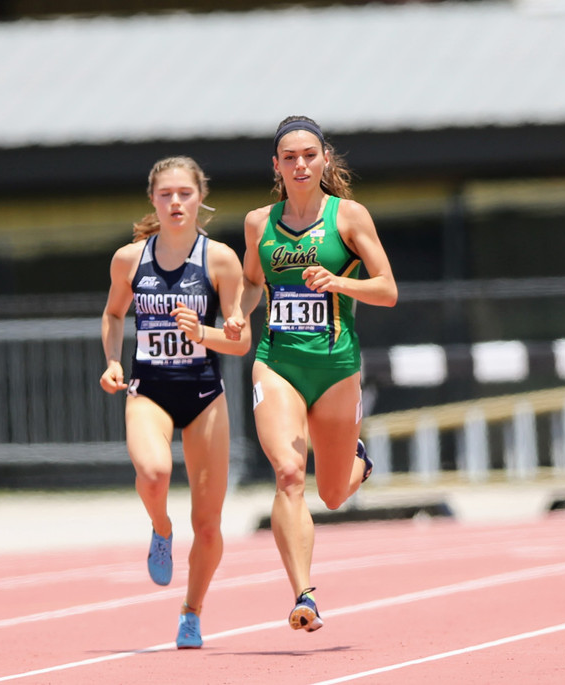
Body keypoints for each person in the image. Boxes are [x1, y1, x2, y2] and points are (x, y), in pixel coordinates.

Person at [225, 115, 398, 633]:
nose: (300, 164)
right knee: (289, 474)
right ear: (276, 166)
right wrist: (238, 309)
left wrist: (339, 285)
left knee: (334, 494)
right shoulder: (260, 223)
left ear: (324, 160)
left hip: (338, 365)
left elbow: (387, 289)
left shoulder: (348, 217)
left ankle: (357, 462)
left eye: (309, 155)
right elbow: (253, 283)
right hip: (278, 362)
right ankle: (304, 595)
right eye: (289, 157)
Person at [99, 156, 251, 648]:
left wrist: (206, 331)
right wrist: (112, 361)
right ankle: (160, 528)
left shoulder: (221, 259)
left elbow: (239, 341)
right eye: (166, 194)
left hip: (205, 393)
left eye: (185, 193)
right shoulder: (129, 259)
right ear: (153, 200)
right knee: (154, 473)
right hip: (150, 390)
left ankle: (192, 611)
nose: (176, 202)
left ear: (199, 197)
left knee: (208, 527)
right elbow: (113, 314)